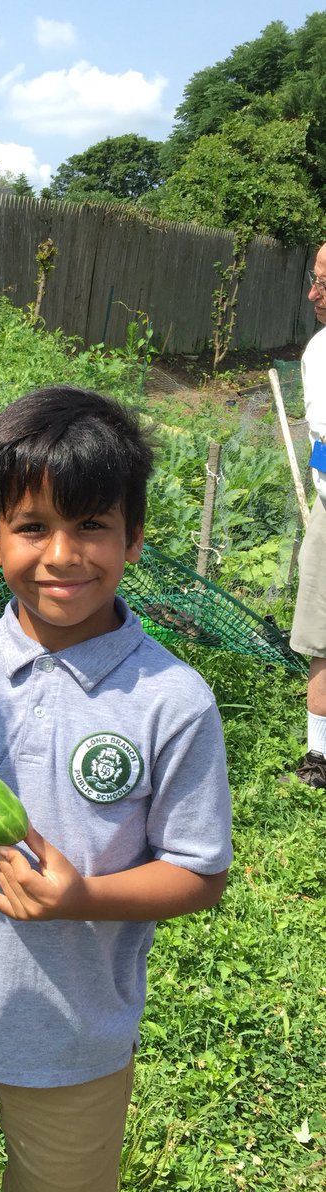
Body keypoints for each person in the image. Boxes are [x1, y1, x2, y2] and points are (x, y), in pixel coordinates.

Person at [0, 386, 232, 1192]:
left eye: (92, 525)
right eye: (33, 527)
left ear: (134, 538)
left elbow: (200, 875)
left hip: (76, 1042)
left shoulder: (173, 700)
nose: (63, 555)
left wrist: (82, 896)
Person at [289, 240, 326, 787]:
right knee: (321, 634)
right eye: (316, 278)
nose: (315, 293)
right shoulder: (319, 351)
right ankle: (320, 757)